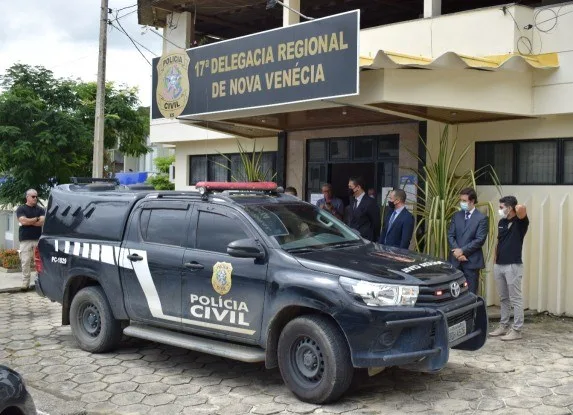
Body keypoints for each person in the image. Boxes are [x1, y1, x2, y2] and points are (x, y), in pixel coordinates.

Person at [489, 196, 529, 341]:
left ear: (510, 208)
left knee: (515, 298)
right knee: (503, 298)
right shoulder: (502, 222)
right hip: (499, 265)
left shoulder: (520, 222)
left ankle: (517, 330)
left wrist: (514, 206)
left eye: (501, 207)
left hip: (513, 265)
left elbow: (522, 208)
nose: (500, 210)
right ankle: (503, 326)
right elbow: (498, 243)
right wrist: (495, 261)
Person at [447, 187, 488, 295]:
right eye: (461, 200)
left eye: (464, 201)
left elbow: (479, 240)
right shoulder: (457, 215)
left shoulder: (481, 218)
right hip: (455, 261)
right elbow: (451, 235)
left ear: (472, 201)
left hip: (471, 261)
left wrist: (463, 251)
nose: (462, 203)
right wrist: (457, 253)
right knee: (454, 294)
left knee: (471, 294)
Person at [16, 189, 45, 290]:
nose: (35, 198)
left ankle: (39, 282)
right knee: (25, 261)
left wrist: (30, 221)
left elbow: (42, 222)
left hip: (37, 239)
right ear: (27, 197)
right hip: (25, 240)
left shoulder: (41, 209)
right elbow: (23, 221)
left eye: (36, 196)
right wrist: (36, 219)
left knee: (39, 262)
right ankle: (25, 283)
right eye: (33, 196)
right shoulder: (21, 209)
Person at [346, 176, 381, 242]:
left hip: (365, 240)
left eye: (350, 186)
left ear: (358, 187)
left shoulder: (370, 202)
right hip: (353, 239)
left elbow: (376, 224)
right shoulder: (352, 200)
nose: (349, 188)